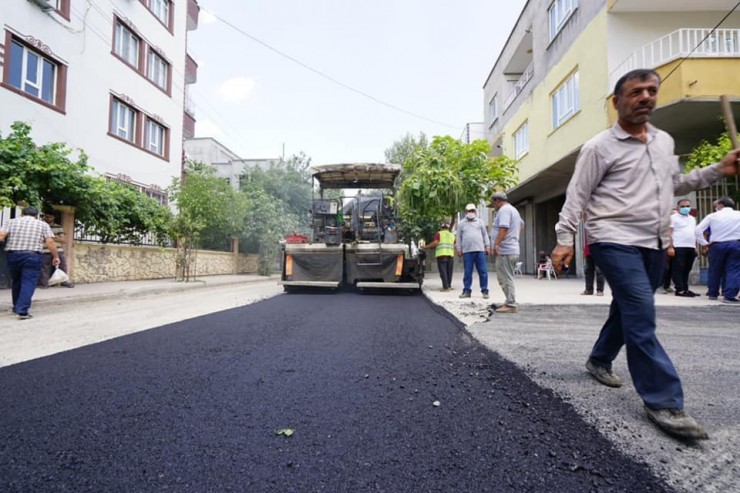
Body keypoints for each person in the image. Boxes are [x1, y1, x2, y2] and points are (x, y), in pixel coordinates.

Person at [551, 68, 740, 440]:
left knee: (628, 308)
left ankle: (599, 359)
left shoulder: (663, 142)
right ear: (616, 101)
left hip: (652, 241)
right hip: (612, 238)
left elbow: (676, 185)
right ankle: (664, 400)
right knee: (641, 310)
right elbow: (578, 195)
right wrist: (563, 239)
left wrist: (719, 169)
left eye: (651, 90)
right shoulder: (599, 147)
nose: (645, 97)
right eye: (636, 91)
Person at [0, 206, 61, 319]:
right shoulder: (42, 225)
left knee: (16, 281)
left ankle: (16, 307)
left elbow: (1, 235)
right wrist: (55, 256)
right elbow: (50, 241)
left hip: (13, 255)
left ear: (22, 214)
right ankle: (22, 310)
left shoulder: (11, 222)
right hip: (32, 256)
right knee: (28, 282)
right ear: (37, 215)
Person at [695, 196, 740, 304]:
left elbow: (697, 230)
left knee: (715, 269)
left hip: (716, 245)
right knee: (734, 270)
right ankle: (729, 295)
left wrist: (705, 244)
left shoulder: (712, 216)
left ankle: (712, 293)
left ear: (720, 205)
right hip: (736, 244)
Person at [489, 192, 522, 313]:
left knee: (506, 277)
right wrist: (513, 237)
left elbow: (504, 228)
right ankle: (509, 300)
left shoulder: (504, 211)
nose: (494, 205)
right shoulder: (513, 210)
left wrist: (497, 244)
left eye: (493, 203)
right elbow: (521, 225)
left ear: (497, 201)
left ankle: (511, 305)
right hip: (510, 248)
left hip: (506, 250)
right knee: (505, 276)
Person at [455, 203, 490, 299]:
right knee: (467, 272)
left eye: (472, 211)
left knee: (483, 271)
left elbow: (485, 235)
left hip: (480, 250)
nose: (470, 213)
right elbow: (458, 237)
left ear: (475, 212)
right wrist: (459, 249)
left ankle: (485, 290)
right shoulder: (461, 224)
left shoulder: (480, 222)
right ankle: (467, 290)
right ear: (466, 212)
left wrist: (487, 246)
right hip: (467, 251)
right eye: (469, 211)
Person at [667, 199, 698, 297]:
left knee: (687, 269)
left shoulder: (692, 219)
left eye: (687, 206)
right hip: (678, 246)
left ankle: (685, 289)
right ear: (678, 207)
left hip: (690, 246)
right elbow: (669, 233)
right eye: (683, 206)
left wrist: (695, 247)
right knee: (678, 268)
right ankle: (679, 289)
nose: (685, 208)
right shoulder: (673, 218)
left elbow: (694, 233)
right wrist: (670, 247)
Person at [39, 210, 74, 288]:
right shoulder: (41, 226)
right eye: (47, 217)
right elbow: (39, 238)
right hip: (45, 249)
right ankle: (45, 283)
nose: (48, 218)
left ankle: (64, 281)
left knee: (63, 265)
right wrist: (54, 238)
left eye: (50, 217)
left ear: (54, 217)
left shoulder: (58, 227)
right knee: (44, 267)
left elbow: (63, 240)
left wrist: (49, 238)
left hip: (58, 250)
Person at [425, 223, 455, 291]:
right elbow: (454, 244)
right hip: (450, 255)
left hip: (442, 255)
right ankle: (449, 285)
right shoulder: (452, 235)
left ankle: (445, 287)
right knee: (449, 272)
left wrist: (426, 246)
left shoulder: (439, 234)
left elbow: (435, 242)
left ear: (441, 228)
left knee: (443, 272)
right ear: (447, 228)